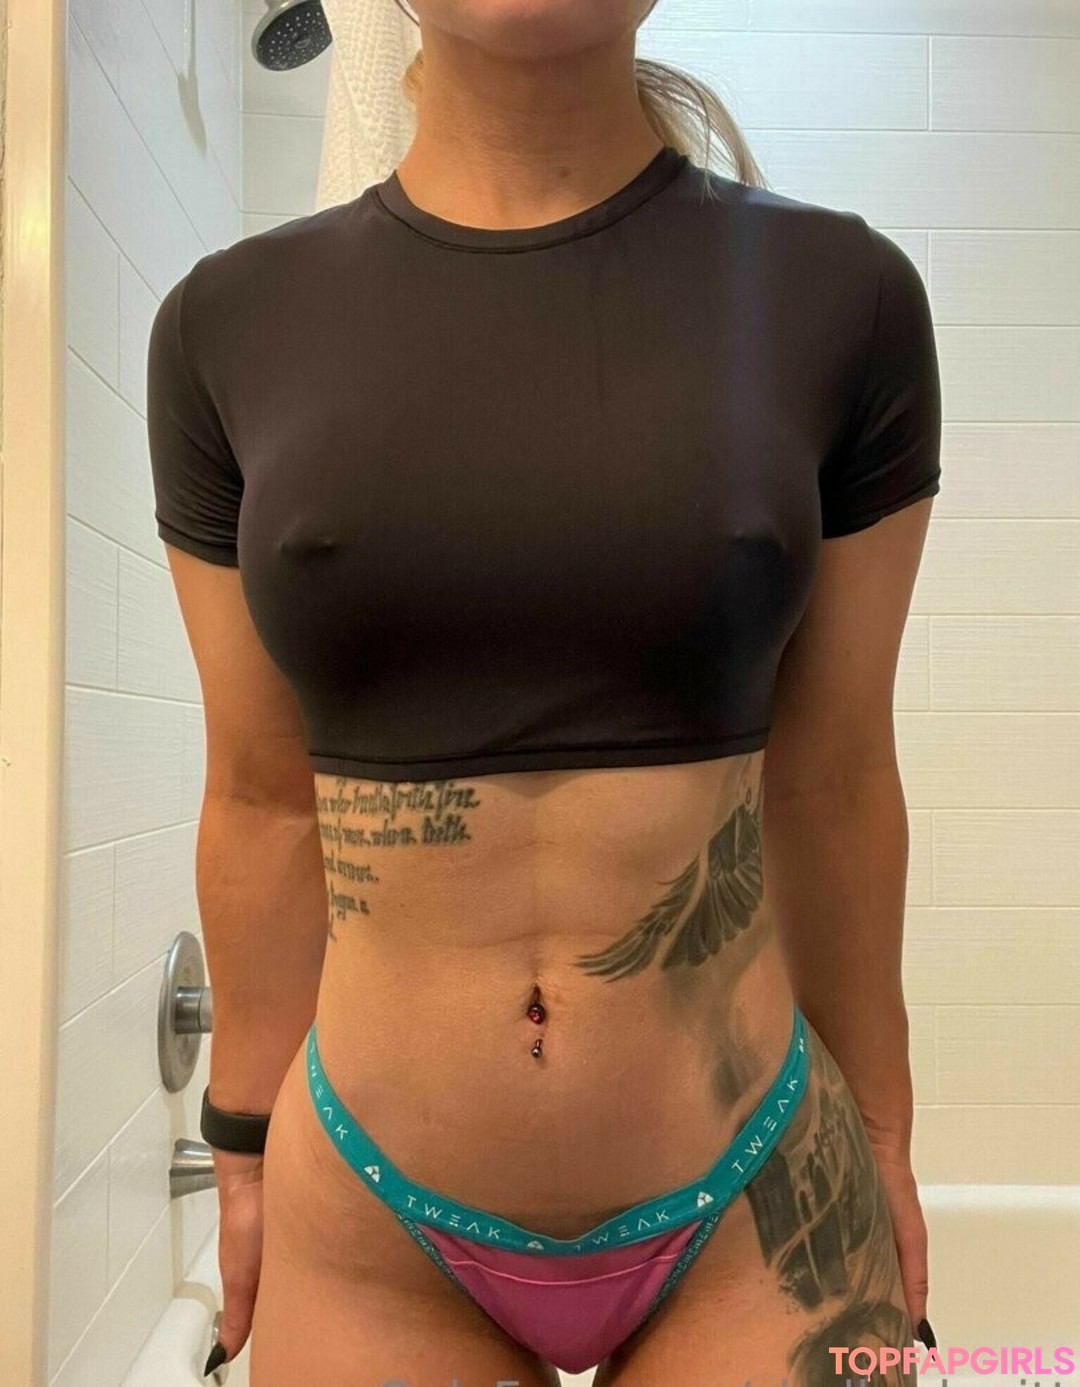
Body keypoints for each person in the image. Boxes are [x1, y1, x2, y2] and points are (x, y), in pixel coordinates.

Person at [146, 2, 942, 1382]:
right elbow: (262, 797)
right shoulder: (225, 324)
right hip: (375, 1218)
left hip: (759, 1197)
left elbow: (835, 782)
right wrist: (244, 1151)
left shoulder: (845, 297)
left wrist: (880, 1131)